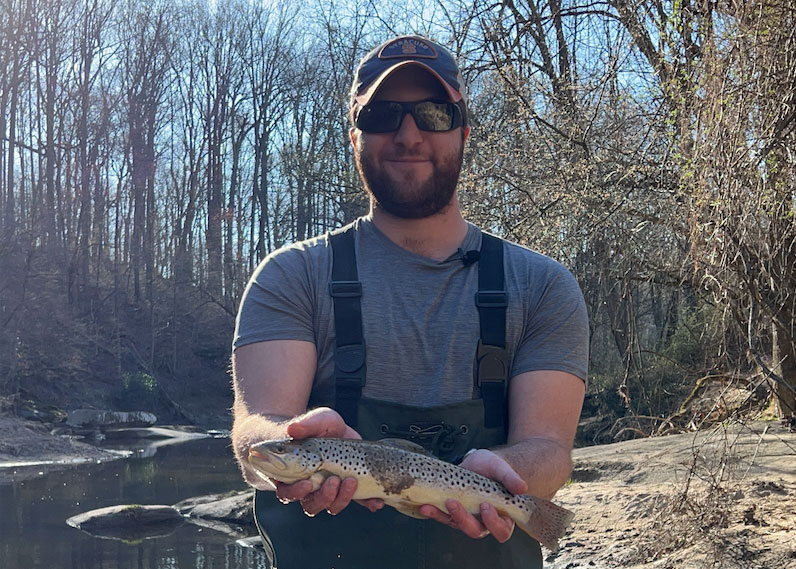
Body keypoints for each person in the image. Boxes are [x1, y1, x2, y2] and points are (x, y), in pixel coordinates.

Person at [231, 35, 588, 568]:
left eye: (432, 113)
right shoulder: (292, 276)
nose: (408, 133)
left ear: (464, 132)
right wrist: (284, 439)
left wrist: (504, 473)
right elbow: (254, 436)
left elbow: (549, 450)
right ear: (355, 137)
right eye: (381, 115)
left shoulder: (542, 286)